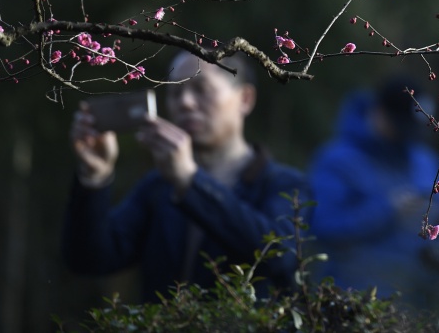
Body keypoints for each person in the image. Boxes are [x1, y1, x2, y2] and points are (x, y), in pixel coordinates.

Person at [62, 51, 309, 301]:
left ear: (245, 99)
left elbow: (279, 258)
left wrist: (190, 181)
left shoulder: (285, 184)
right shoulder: (159, 186)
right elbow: (90, 259)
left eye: (201, 89)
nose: (185, 102)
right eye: (175, 92)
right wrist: (95, 176)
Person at [308, 76, 439, 301]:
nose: (406, 136)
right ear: (378, 113)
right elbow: (322, 228)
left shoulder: (425, 161)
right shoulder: (336, 161)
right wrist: (387, 210)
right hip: (353, 300)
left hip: (414, 303)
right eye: (400, 126)